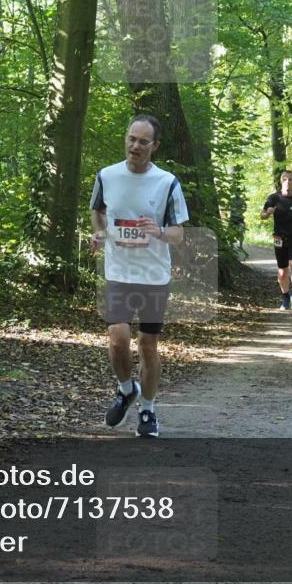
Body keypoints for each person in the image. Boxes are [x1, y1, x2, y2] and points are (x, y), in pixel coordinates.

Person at [89, 114, 189, 438]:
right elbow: (98, 210)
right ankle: (125, 388)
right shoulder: (107, 175)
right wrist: (100, 234)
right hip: (118, 270)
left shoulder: (167, 182)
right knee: (118, 340)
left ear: (154, 146)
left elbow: (178, 234)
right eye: (132, 139)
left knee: (147, 345)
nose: (135, 146)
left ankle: (147, 410)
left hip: (153, 275)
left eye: (143, 141)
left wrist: (158, 231)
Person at [260, 170, 292, 310]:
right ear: (281, 181)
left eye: (290, 179)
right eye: (285, 179)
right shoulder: (274, 198)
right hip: (279, 238)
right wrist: (268, 213)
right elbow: (262, 215)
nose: (288, 181)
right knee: (282, 272)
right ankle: (285, 298)